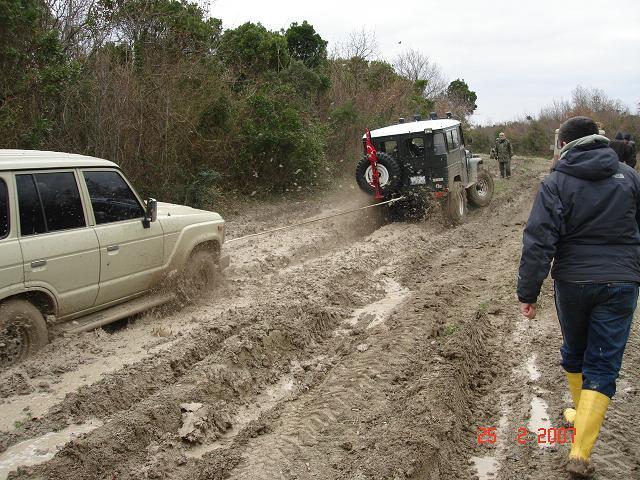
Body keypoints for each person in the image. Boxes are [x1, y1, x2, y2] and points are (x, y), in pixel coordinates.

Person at [517, 116, 640, 478]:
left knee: (575, 349)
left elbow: (539, 239)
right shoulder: (630, 177)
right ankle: (582, 441)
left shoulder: (556, 181)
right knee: (602, 363)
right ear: (598, 140)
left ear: (564, 143)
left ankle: (579, 439)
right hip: (621, 281)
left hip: (572, 282)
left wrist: (529, 291)